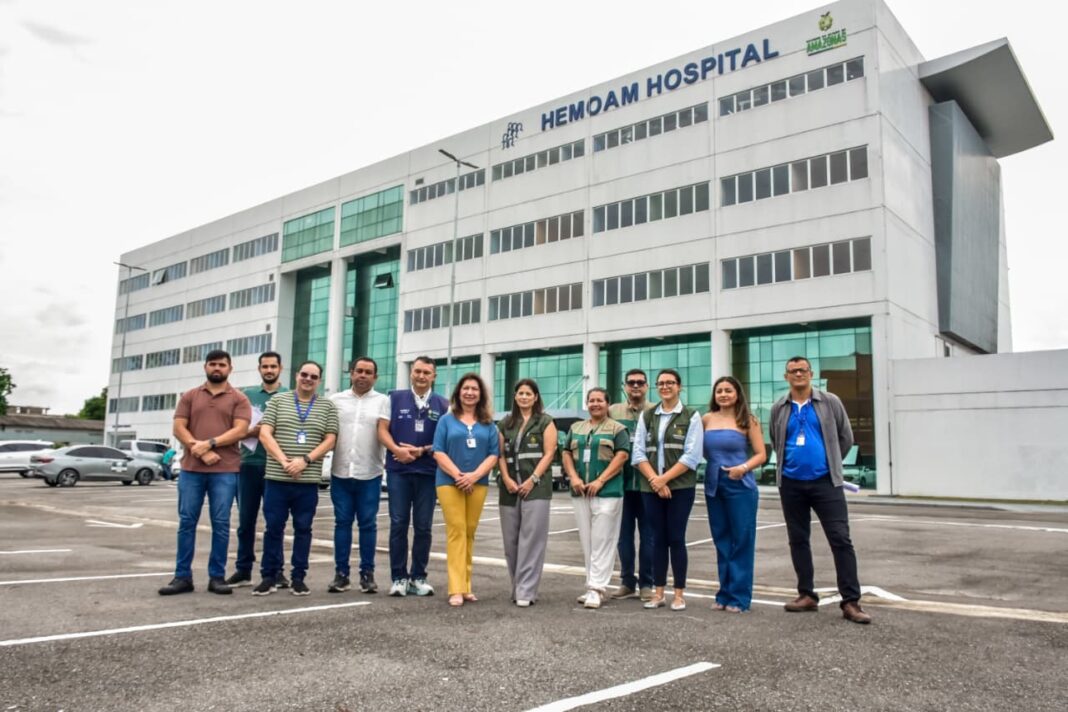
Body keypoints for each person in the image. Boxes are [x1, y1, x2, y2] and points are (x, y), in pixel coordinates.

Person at [769, 356, 871, 624]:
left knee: (840, 538)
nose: (798, 374)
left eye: (802, 370)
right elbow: (776, 440)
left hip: (826, 482)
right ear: (786, 376)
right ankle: (806, 594)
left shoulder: (830, 402)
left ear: (811, 374)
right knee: (798, 539)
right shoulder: (779, 407)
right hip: (791, 483)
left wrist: (830, 463)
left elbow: (845, 438)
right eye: (793, 371)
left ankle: (851, 601)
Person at [159, 349, 251, 596]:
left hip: (225, 470)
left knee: (221, 523)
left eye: (222, 364)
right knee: (186, 522)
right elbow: (179, 427)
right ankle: (182, 577)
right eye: (213, 364)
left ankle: (217, 577)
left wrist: (209, 444)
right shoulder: (190, 396)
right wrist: (198, 450)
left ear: (230, 368)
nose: (217, 368)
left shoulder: (239, 399)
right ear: (205, 367)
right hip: (192, 470)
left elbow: (240, 430)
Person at [252, 361, 337, 597]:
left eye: (313, 376)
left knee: (303, 529)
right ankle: (268, 577)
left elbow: (330, 439)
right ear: (297, 375)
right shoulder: (278, 401)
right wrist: (284, 462)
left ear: (319, 381)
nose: (308, 379)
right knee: (273, 529)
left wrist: (305, 461)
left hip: (307, 481)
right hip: (277, 479)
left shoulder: (327, 406)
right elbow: (265, 434)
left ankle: (298, 578)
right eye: (304, 374)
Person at [632, 368, 703, 612]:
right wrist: (655, 480)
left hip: (680, 488)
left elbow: (692, 456)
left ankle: (679, 594)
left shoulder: (691, 415)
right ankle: (659, 592)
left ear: (679, 386)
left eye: (670, 382)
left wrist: (664, 480)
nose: (665, 387)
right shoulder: (648, 415)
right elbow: (638, 453)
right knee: (657, 539)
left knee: (676, 538)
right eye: (661, 383)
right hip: (650, 487)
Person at [378, 356, 449, 597]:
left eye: (426, 372)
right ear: (411, 372)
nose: (421, 376)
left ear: (434, 376)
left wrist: (422, 450)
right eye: (417, 371)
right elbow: (381, 430)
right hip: (399, 472)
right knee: (398, 523)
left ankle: (419, 577)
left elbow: (445, 440)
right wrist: (397, 450)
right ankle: (398, 577)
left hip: (428, 473)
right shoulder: (393, 398)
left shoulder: (443, 405)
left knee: (423, 526)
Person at [431, 373, 499, 607]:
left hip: (477, 483)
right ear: (458, 392)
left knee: (469, 531)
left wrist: (474, 476)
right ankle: (456, 588)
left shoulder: (488, 424)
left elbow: (494, 454)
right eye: (466, 388)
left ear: (481, 395)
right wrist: (458, 475)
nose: (470, 392)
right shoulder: (446, 420)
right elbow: (438, 451)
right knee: (457, 530)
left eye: (474, 389)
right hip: (449, 482)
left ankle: (467, 585)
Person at [702, 376, 767, 613]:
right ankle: (724, 594)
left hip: (740, 485)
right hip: (713, 485)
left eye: (728, 390)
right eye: (719, 391)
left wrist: (743, 467)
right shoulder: (706, 419)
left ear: (737, 394)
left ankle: (739, 598)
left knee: (741, 541)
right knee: (721, 540)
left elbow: (761, 454)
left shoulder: (748, 420)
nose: (723, 394)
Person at [328, 357, 391, 594]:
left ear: (375, 377)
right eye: (359, 371)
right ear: (351, 373)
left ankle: (367, 574)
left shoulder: (383, 402)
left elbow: (385, 432)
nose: (363, 375)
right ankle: (341, 574)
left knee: (368, 524)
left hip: (370, 474)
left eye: (368, 372)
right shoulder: (335, 401)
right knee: (342, 523)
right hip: (341, 472)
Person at [563, 387, 630, 610]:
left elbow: (622, 455)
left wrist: (600, 480)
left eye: (599, 400)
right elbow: (566, 453)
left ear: (607, 403)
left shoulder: (617, 429)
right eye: (591, 400)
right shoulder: (576, 428)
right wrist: (573, 478)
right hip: (580, 491)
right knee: (588, 541)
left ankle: (597, 588)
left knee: (603, 540)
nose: (595, 404)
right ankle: (592, 584)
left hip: (608, 492)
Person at [227, 351, 289, 589]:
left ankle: (276, 570)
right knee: (246, 521)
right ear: (259, 368)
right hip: (249, 464)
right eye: (265, 366)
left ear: (280, 369)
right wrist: (254, 431)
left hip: (276, 466)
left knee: (275, 522)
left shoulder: (289, 396)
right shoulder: (246, 395)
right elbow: (233, 429)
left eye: (273, 366)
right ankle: (243, 569)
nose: (269, 370)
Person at [497, 379, 557, 607]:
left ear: (535, 397)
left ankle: (526, 591)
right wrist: (506, 479)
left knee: (531, 540)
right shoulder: (505, 423)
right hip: (509, 489)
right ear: (515, 396)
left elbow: (549, 453)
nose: (524, 397)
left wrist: (533, 479)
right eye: (520, 393)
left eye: (528, 394)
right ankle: (517, 587)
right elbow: (500, 454)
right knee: (510, 542)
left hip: (536, 488)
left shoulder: (545, 421)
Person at [607, 369, 654, 601]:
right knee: (623, 537)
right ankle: (627, 582)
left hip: (648, 486)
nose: (636, 386)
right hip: (621, 485)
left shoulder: (655, 411)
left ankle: (647, 583)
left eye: (640, 383)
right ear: (625, 386)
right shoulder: (613, 411)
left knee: (649, 537)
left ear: (647, 386)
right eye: (631, 382)